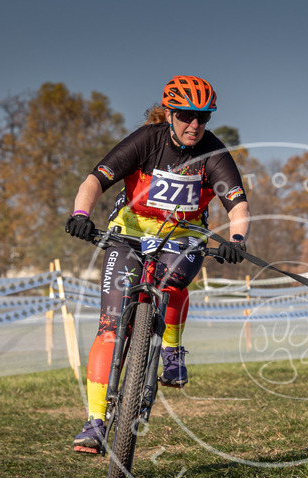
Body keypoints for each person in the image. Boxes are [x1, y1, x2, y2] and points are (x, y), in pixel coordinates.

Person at [64, 75, 251, 454]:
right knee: (110, 328)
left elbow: (238, 204)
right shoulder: (146, 140)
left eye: (203, 117)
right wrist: (81, 214)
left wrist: (236, 240)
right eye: (185, 115)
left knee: (171, 283)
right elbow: (93, 181)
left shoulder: (212, 152)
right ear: (169, 113)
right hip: (129, 234)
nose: (194, 125)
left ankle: (171, 351)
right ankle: (96, 422)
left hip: (183, 235)